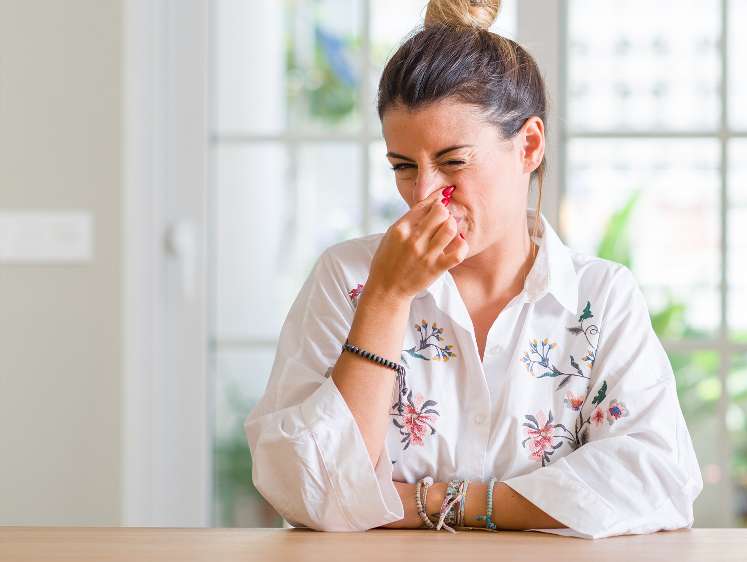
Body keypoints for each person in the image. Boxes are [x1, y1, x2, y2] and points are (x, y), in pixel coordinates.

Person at [243, 0, 703, 539]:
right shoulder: (346, 278)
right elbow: (305, 492)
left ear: (528, 145)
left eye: (454, 161)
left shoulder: (601, 297)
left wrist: (435, 501)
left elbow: (656, 481)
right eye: (404, 167)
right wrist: (387, 299)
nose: (425, 194)